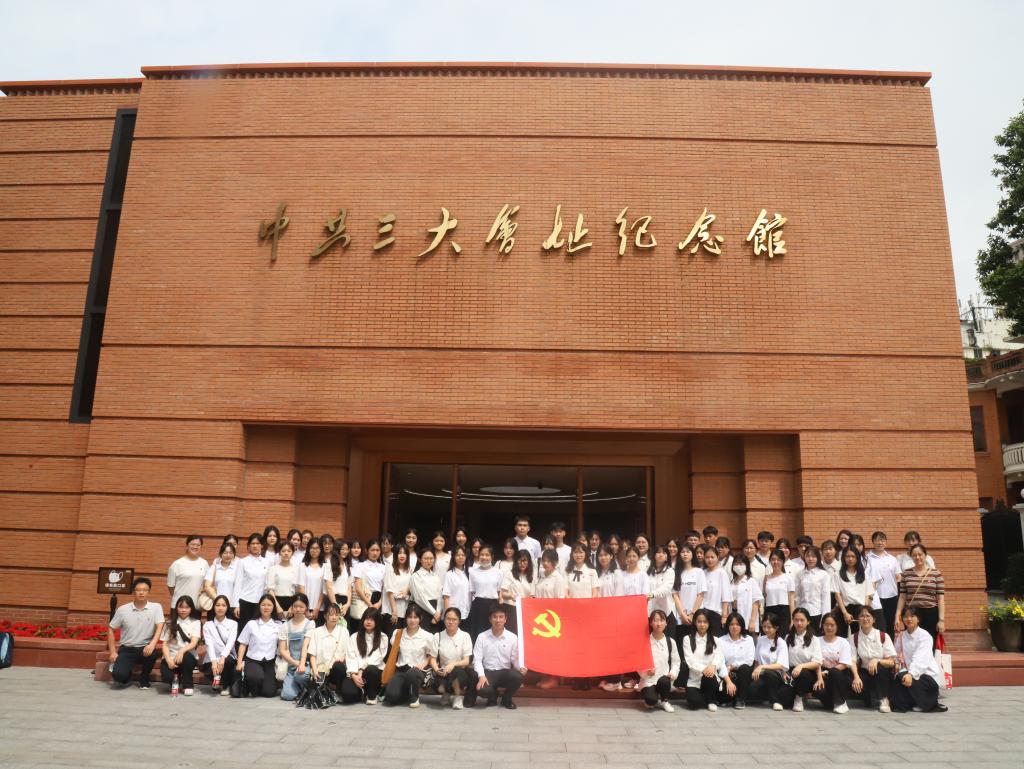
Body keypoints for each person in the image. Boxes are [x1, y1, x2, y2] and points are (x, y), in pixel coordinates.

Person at [108, 576, 164, 688]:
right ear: (133, 592)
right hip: (127, 649)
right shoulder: (123, 610)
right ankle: (126, 673)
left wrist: (152, 644)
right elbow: (110, 629)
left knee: (152, 654)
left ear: (148, 591)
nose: (141, 593)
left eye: (144, 590)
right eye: (138, 590)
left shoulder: (156, 607)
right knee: (119, 676)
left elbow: (160, 626)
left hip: (145, 648)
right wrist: (113, 652)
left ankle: (144, 678)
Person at [892, 607, 948, 713]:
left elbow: (920, 659)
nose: (909, 619)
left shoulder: (925, 636)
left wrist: (911, 674)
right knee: (897, 678)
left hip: (927, 676)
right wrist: (895, 662)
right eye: (905, 616)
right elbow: (894, 653)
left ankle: (924, 703)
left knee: (903, 677)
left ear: (918, 619)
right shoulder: (901, 636)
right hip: (909, 674)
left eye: (912, 616)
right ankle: (909, 702)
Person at [472, 604, 526, 709]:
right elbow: (477, 660)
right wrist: (481, 676)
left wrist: (520, 667)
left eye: (501, 617)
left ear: (505, 619)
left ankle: (507, 699)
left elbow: (514, 659)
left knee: (518, 676)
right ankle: (493, 695)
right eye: (495, 617)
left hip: (504, 673)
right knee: (482, 690)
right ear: (490, 619)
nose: (498, 620)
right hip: (488, 672)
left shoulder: (513, 637)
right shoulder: (482, 637)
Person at [384, 605, 436, 707]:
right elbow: (394, 652)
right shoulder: (398, 633)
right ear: (406, 618)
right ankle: (406, 692)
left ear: (420, 619)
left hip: (417, 671)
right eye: (409, 617)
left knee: (412, 674)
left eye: (415, 617)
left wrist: (424, 663)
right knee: (391, 697)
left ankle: (414, 697)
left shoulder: (427, 636)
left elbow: (432, 654)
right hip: (401, 670)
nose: (412, 620)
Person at [849, 603, 897, 712]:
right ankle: (867, 697)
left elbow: (891, 662)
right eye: (862, 616)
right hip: (865, 671)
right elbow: (852, 661)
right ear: (858, 619)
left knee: (881, 670)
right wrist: (856, 677)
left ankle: (884, 699)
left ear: (874, 619)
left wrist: (877, 660)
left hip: (881, 672)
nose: (865, 619)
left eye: (868, 616)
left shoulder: (883, 636)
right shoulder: (854, 638)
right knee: (851, 675)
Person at [894, 543, 945, 642]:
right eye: (914, 555)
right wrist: (897, 616)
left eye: (920, 554)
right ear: (911, 557)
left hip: (931, 613)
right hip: (911, 614)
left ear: (925, 555)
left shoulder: (936, 574)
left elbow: (940, 599)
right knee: (911, 642)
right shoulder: (906, 574)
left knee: (930, 643)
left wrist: (941, 620)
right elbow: (902, 597)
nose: (917, 557)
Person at [235, 594, 281, 698]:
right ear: (259, 606)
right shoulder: (251, 624)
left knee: (269, 693)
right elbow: (243, 644)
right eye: (263, 605)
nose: (266, 607)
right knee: (255, 677)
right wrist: (239, 663)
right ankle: (250, 683)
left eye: (269, 605)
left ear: (273, 607)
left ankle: (258, 686)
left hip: (269, 661)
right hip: (253, 660)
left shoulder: (278, 625)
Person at [431, 607, 477, 709]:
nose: (451, 622)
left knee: (456, 672)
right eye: (448, 619)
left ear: (459, 621)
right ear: (444, 620)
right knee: (440, 688)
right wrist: (437, 669)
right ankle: (446, 693)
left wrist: (453, 664)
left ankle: (457, 696)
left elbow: (466, 661)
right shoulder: (438, 636)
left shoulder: (465, 636)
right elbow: (432, 659)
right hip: (443, 671)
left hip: (460, 671)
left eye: (454, 619)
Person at [681, 609, 726, 711]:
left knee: (709, 677)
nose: (702, 625)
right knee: (694, 703)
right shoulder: (687, 639)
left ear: (709, 623)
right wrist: (703, 669)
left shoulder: (715, 640)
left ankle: (711, 701)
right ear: (695, 622)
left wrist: (713, 666)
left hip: (710, 677)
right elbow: (689, 659)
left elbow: (719, 657)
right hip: (694, 679)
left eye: (705, 622)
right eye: (699, 621)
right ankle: (706, 697)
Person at [342, 608, 388, 705]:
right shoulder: (354, 637)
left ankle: (372, 696)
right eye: (366, 619)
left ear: (377, 622)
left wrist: (361, 670)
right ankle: (361, 692)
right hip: (355, 673)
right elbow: (351, 657)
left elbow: (377, 658)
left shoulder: (383, 637)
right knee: (348, 695)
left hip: (374, 673)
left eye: (372, 619)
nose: (368, 622)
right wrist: (353, 675)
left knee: (371, 669)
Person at [638, 609, 680, 712]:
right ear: (651, 623)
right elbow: (638, 663)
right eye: (655, 620)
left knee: (664, 680)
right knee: (651, 701)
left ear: (666, 623)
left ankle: (665, 701)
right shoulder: (644, 641)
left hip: (664, 679)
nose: (659, 623)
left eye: (662, 620)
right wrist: (647, 671)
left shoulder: (670, 642)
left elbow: (676, 662)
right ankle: (652, 697)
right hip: (649, 680)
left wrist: (672, 673)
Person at [159, 596, 201, 695]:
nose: (183, 610)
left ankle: (188, 685)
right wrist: (168, 660)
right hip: (171, 656)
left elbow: (194, 643)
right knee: (166, 677)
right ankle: (176, 679)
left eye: (187, 607)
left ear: (191, 609)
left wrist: (181, 651)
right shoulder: (169, 623)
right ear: (176, 608)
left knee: (187, 658)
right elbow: (165, 644)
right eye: (181, 607)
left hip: (187, 655)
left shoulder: (196, 622)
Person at [785, 608, 824, 712]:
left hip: (807, 673)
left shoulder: (814, 639)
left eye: (802, 620)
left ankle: (799, 698)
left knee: (804, 673)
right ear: (793, 620)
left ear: (808, 621)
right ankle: (794, 695)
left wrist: (801, 666)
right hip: (791, 673)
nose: (799, 623)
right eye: (796, 620)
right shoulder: (788, 637)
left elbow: (817, 662)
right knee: (784, 701)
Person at [750, 612, 789, 710]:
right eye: (764, 626)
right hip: (762, 675)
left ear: (776, 628)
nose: (766, 629)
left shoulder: (781, 642)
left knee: (769, 673)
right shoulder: (761, 639)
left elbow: (780, 665)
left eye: (769, 627)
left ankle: (775, 701)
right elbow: (757, 660)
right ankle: (766, 696)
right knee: (751, 690)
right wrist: (755, 672)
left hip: (776, 676)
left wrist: (762, 667)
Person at [278, 592, 313, 701]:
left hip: (305, 664)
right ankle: (300, 689)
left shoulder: (310, 624)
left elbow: (306, 646)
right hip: (291, 666)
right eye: (295, 606)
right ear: (291, 607)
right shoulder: (285, 626)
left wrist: (301, 664)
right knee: (287, 695)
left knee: (301, 676)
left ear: (306, 608)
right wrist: (295, 663)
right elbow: (282, 650)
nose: (298, 609)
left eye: (301, 607)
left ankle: (306, 688)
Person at [307, 602, 350, 691]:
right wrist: (314, 670)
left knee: (339, 667)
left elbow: (348, 652)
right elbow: (312, 655)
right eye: (331, 615)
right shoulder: (317, 632)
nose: (334, 617)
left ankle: (337, 689)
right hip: (321, 669)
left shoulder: (344, 631)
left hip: (336, 670)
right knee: (318, 691)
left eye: (337, 615)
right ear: (325, 616)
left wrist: (342, 658)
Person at [201, 594, 237, 695]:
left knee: (228, 662)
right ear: (213, 607)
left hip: (226, 657)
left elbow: (230, 643)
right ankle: (218, 681)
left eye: (223, 605)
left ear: (227, 607)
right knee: (212, 668)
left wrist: (222, 657)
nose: (220, 608)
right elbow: (209, 644)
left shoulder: (233, 624)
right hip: (211, 658)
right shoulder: (207, 625)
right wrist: (213, 661)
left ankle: (225, 685)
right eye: (217, 605)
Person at [818, 612, 854, 713]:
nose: (829, 627)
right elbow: (814, 661)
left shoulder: (843, 642)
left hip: (839, 674)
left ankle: (841, 703)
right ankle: (831, 702)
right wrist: (820, 673)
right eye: (826, 624)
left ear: (837, 626)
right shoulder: (816, 641)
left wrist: (827, 672)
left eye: (832, 625)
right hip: (821, 674)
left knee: (834, 672)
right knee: (822, 696)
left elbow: (844, 664)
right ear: (822, 625)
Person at [231, 533, 268, 629]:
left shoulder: (267, 562)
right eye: (252, 543)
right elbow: (238, 584)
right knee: (243, 630)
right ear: (248, 546)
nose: (255, 546)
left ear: (262, 546)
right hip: (245, 602)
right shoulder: (242, 562)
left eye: (257, 543)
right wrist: (236, 605)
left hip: (261, 603)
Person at [718, 611, 755, 709]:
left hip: (743, 673)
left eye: (737, 624)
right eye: (732, 624)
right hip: (726, 673)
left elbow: (749, 660)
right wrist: (728, 680)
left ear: (742, 626)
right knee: (723, 698)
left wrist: (732, 666)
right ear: (727, 626)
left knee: (745, 668)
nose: (734, 627)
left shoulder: (748, 639)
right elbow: (720, 662)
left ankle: (740, 699)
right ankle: (729, 698)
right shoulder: (721, 640)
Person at [835, 547, 875, 636]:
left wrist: (865, 613)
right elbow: (837, 595)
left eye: (853, 556)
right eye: (847, 556)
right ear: (843, 558)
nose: (850, 559)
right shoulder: (837, 575)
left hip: (860, 610)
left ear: (857, 558)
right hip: (845, 610)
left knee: (860, 637)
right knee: (845, 637)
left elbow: (868, 595)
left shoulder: (864, 575)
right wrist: (845, 613)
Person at [866, 531, 901, 633]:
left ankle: (889, 643)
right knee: (876, 626)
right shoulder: (867, 558)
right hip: (875, 598)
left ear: (885, 542)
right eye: (877, 540)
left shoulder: (892, 559)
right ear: (873, 542)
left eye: (882, 540)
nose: (880, 542)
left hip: (891, 596)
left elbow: (898, 577)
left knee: (890, 625)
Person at [467, 544, 503, 641]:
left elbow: (499, 590)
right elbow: (472, 592)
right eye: (482, 555)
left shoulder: (498, 572)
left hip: (493, 605)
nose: (484, 557)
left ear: (492, 556)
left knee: (493, 633)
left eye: (487, 555)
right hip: (478, 606)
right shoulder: (472, 572)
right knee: (477, 633)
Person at [350, 540, 386, 632]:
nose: (375, 553)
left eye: (377, 550)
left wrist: (379, 603)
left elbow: (385, 587)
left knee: (376, 629)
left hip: (379, 600)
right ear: (366, 551)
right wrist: (370, 604)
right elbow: (358, 588)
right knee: (361, 628)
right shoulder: (360, 566)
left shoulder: (383, 567)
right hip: (364, 599)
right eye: (372, 550)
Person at [795, 546, 832, 633]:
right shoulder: (800, 574)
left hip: (817, 613)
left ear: (818, 558)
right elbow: (797, 595)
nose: (810, 559)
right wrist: (796, 612)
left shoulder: (824, 574)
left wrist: (825, 618)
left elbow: (826, 597)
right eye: (808, 556)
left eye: (813, 556)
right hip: (802, 613)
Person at [167, 535, 209, 609]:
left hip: (196, 606)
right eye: (192, 544)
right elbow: (170, 586)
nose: (195, 547)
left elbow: (207, 584)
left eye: (198, 545)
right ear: (187, 545)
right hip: (179, 606)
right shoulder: (177, 564)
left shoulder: (204, 563)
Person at [499, 549, 534, 635]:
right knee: (512, 633)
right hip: (511, 609)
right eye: (520, 560)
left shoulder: (531, 576)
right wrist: (511, 596)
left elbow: (533, 595)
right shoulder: (509, 574)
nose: (522, 563)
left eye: (525, 561)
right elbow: (503, 593)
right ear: (516, 561)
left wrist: (530, 599)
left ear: (529, 562)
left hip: (525, 610)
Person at [297, 537, 331, 624]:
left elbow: (324, 590)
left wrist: (317, 608)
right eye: (312, 548)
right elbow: (301, 587)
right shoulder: (303, 566)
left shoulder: (325, 566)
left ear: (321, 550)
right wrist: (306, 608)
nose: (314, 550)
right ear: (308, 549)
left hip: (320, 608)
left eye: (317, 548)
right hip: (304, 608)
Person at [410, 549, 444, 632]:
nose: (429, 561)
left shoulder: (436, 576)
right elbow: (419, 598)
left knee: (435, 636)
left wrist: (438, 612)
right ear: (420, 560)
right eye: (426, 558)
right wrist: (434, 613)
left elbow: (440, 596)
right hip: (422, 610)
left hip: (436, 611)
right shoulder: (416, 576)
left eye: (431, 558)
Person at [701, 546, 731, 636]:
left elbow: (726, 595)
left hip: (717, 613)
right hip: (703, 612)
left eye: (712, 557)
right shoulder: (702, 572)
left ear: (717, 557)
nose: (710, 560)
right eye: (707, 557)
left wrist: (724, 616)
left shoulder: (722, 573)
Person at [265, 541, 300, 619]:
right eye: (283, 551)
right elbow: (270, 590)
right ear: (279, 553)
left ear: (292, 553)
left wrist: (293, 606)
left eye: (289, 551)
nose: (286, 553)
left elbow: (298, 590)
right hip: (276, 601)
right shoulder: (273, 569)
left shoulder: (296, 569)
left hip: (292, 602)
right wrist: (277, 607)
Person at [763, 548, 795, 632]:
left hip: (784, 611)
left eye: (779, 560)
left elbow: (791, 600)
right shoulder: (766, 578)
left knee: (783, 637)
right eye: (773, 559)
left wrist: (792, 619)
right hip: (769, 611)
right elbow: (764, 597)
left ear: (783, 561)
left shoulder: (788, 578)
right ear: (770, 561)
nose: (776, 562)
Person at [730, 554, 763, 636]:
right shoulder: (731, 582)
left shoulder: (751, 581)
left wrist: (752, 621)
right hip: (733, 616)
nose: (738, 566)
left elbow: (756, 603)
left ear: (747, 566)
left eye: (741, 564)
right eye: (736, 564)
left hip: (747, 618)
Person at [647, 546, 676, 633]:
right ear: (654, 555)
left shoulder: (670, 571)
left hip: (666, 612)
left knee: (668, 640)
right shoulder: (648, 572)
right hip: (650, 613)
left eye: (664, 553)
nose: (661, 555)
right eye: (658, 552)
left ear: (667, 557)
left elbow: (666, 588)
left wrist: (653, 594)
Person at [383, 544, 412, 630]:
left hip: (405, 610)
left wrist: (407, 590)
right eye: (399, 553)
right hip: (392, 611)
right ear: (395, 555)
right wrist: (394, 611)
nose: (402, 555)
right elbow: (390, 591)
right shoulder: (390, 568)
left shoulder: (409, 570)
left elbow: (411, 586)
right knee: (393, 637)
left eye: (404, 553)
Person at [442, 545, 471, 631]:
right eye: (458, 555)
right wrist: (447, 615)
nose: (460, 557)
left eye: (463, 555)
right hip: (453, 614)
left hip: (467, 613)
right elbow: (446, 596)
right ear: (453, 557)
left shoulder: (469, 573)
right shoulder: (449, 574)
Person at [202, 541, 237, 612]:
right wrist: (219, 601)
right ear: (220, 554)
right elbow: (207, 586)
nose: (228, 555)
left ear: (234, 555)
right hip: (215, 605)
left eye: (231, 553)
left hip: (231, 606)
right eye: (225, 553)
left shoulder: (237, 569)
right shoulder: (214, 568)